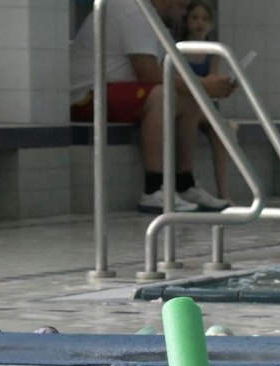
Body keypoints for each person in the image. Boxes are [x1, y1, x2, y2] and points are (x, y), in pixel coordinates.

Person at [69, 0, 233, 214]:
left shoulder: (151, 17)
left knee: (189, 94)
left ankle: (185, 184)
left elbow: (170, 73)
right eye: (183, 7)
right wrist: (202, 85)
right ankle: (153, 189)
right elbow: (148, 73)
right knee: (162, 94)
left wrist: (204, 89)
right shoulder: (133, 11)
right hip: (87, 96)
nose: (184, 13)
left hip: (116, 91)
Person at [179, 0, 232, 204]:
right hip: (185, 104)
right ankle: (186, 183)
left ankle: (223, 192)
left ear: (211, 24)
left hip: (204, 106)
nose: (199, 23)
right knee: (198, 113)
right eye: (194, 18)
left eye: (204, 19)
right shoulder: (179, 48)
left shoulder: (213, 52)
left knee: (223, 132)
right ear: (186, 22)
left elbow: (212, 85)